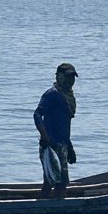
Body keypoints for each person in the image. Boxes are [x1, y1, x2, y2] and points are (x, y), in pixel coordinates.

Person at [33, 63, 78, 198]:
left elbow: (64, 126)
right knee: (58, 183)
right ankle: (51, 211)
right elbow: (37, 114)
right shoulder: (52, 94)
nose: (70, 80)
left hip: (62, 145)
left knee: (53, 182)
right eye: (66, 77)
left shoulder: (68, 97)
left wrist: (70, 147)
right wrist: (45, 136)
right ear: (58, 76)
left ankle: (44, 209)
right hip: (51, 146)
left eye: (72, 77)